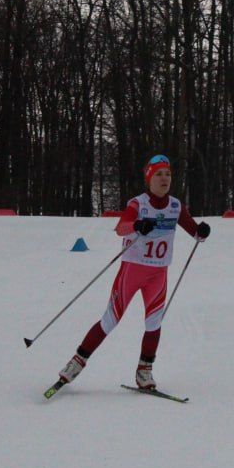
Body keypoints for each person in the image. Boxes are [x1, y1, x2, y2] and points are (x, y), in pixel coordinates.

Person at [56, 154, 210, 391]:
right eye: (158, 174)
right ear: (149, 178)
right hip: (132, 271)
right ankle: (76, 362)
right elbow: (120, 228)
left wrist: (201, 230)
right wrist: (137, 225)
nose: (164, 178)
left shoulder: (176, 206)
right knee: (110, 320)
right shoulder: (137, 204)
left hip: (158, 275)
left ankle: (144, 371)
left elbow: (194, 231)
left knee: (154, 322)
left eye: (168, 174)